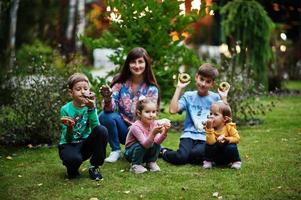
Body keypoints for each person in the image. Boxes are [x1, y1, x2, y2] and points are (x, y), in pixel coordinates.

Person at [99, 47, 159, 163]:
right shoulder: (120, 83)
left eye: (140, 62)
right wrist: (107, 98)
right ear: (128, 64)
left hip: (143, 131)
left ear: (146, 64)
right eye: (133, 62)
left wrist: (139, 126)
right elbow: (111, 109)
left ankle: (150, 152)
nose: (137, 66)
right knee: (104, 116)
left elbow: (152, 115)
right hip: (124, 130)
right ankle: (115, 150)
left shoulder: (152, 89)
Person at [161, 63, 229, 165]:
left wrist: (224, 98)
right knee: (181, 158)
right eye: (201, 79)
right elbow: (172, 110)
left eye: (208, 81)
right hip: (188, 135)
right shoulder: (188, 96)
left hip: (206, 136)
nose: (203, 84)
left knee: (195, 155)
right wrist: (179, 87)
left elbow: (227, 117)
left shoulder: (215, 98)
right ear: (196, 77)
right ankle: (163, 151)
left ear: (212, 84)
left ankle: (199, 155)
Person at [58, 73, 108, 180]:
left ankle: (94, 167)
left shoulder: (89, 106)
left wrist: (91, 109)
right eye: (78, 89)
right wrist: (70, 127)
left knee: (102, 130)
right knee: (73, 160)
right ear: (71, 92)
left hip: (85, 143)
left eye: (85, 88)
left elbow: (96, 129)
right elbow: (68, 138)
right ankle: (72, 168)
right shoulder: (65, 109)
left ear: (89, 91)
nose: (82, 91)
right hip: (69, 144)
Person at [124, 97, 171, 174]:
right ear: (139, 113)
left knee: (157, 145)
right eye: (147, 112)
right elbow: (145, 144)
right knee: (141, 145)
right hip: (131, 153)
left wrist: (164, 132)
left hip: (145, 151)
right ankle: (135, 165)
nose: (151, 115)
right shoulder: (136, 126)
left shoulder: (154, 123)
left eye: (153, 112)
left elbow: (157, 141)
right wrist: (153, 133)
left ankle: (150, 162)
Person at [203, 101, 241, 169]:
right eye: (211, 114)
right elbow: (211, 142)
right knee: (208, 145)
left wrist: (227, 139)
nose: (211, 116)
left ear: (225, 119)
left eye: (216, 114)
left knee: (232, 146)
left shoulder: (229, 127)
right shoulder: (209, 128)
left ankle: (236, 161)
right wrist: (209, 129)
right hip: (216, 155)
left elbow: (237, 138)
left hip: (226, 154)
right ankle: (209, 161)